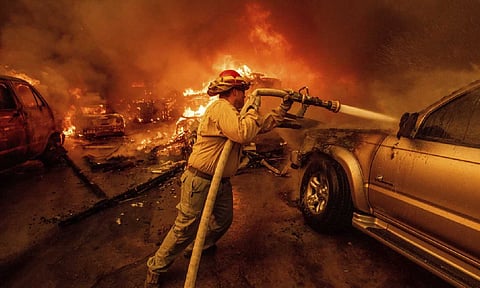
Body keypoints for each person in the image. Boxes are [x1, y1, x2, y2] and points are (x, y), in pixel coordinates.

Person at [144, 69, 293, 287]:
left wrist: (282, 109)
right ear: (234, 91)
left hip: (220, 182)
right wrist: (253, 106)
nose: (245, 96)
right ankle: (155, 267)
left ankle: (200, 246)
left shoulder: (234, 113)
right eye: (243, 92)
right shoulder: (222, 108)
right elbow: (244, 133)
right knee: (185, 228)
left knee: (224, 220)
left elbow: (258, 126)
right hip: (200, 180)